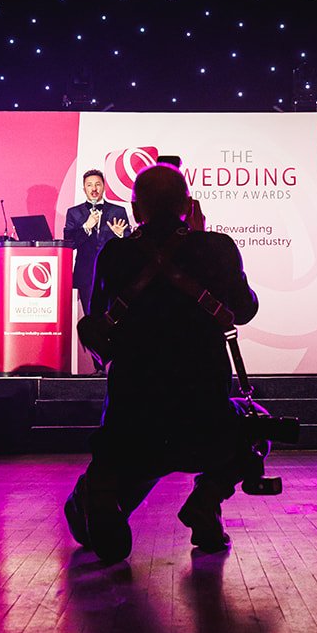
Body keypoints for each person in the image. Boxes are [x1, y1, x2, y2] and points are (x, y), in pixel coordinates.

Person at [64, 163, 259, 564]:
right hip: (205, 418)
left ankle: (101, 494)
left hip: (132, 419)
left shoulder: (115, 254)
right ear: (189, 205)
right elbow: (244, 310)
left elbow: (100, 325)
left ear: (136, 211)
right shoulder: (218, 248)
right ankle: (204, 504)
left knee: (123, 460)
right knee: (257, 428)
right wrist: (203, 245)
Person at [62, 168, 130, 315]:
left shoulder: (118, 211)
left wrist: (120, 236)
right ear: (84, 188)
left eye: (98, 184)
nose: (94, 189)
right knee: (91, 315)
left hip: (114, 271)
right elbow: (69, 243)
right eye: (89, 185)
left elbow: (129, 244)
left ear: (104, 187)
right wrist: (86, 226)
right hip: (86, 272)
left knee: (115, 315)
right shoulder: (74, 213)